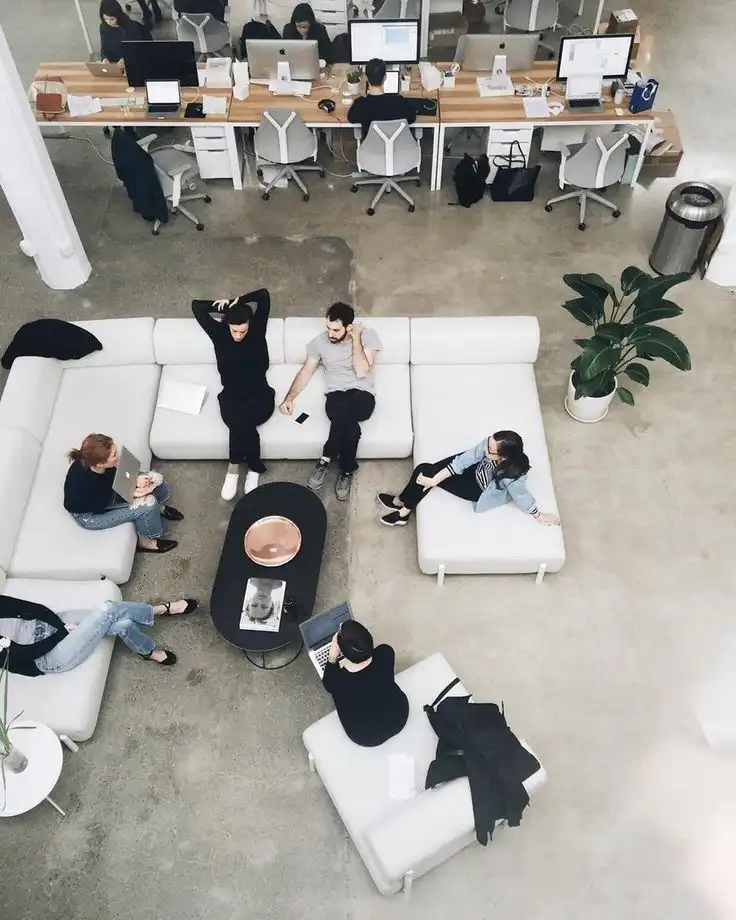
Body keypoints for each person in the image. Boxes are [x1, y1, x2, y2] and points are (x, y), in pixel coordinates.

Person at [279, 303, 381, 502]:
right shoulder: (319, 343)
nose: (330, 334)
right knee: (349, 424)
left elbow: (362, 371)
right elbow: (306, 371)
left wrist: (356, 339)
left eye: (336, 330)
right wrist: (289, 398)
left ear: (349, 326)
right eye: (328, 328)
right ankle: (347, 470)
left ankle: (325, 459)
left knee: (347, 411)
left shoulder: (367, 335)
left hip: (362, 395)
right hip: (335, 396)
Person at [377, 430, 561, 526]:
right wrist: (434, 480)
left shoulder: (512, 474)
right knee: (426, 470)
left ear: (503, 456)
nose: (485, 447)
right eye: (488, 442)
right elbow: (464, 460)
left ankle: (403, 510)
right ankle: (402, 502)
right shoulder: (489, 446)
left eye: (490, 449)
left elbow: (521, 495)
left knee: (425, 471)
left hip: (476, 487)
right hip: (474, 468)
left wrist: (538, 514)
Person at [192, 289, 275, 500]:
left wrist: (238, 301)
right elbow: (197, 306)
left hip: (260, 395)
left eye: (242, 331)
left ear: (249, 325)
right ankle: (253, 467)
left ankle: (233, 468)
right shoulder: (219, 333)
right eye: (234, 330)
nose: (238, 335)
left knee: (240, 421)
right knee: (240, 420)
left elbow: (263, 296)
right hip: (231, 396)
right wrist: (227, 307)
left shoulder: (257, 329)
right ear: (227, 324)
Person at [0, 594, 199, 672]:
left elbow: (33, 609)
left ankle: (146, 651)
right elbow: (23, 656)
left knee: (124, 624)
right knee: (108, 609)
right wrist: (61, 635)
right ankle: (160, 610)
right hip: (47, 658)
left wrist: (59, 626)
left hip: (50, 624)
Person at [63, 434, 182, 554]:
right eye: (114, 455)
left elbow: (114, 477)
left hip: (106, 493)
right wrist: (133, 492)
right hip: (91, 513)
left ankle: (158, 507)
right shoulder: (84, 484)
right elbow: (104, 503)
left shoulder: (95, 463)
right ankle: (146, 541)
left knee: (155, 479)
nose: (118, 455)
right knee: (148, 503)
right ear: (100, 464)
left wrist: (134, 481)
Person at [322, 620, 409, 747]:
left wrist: (332, 656)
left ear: (342, 652)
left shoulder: (336, 680)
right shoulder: (385, 652)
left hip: (366, 736)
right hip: (399, 716)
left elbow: (327, 683)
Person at [347, 57, 417, 141]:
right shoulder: (399, 102)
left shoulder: (360, 104)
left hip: (371, 147)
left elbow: (351, 118)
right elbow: (412, 118)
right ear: (385, 77)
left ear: (366, 77)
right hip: (396, 146)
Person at [99, 0, 152, 65]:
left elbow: (137, 49)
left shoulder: (130, 26)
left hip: (132, 62)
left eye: (111, 19)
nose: (108, 22)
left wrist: (126, 59)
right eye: (105, 19)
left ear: (118, 16)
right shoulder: (103, 27)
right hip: (114, 64)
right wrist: (104, 58)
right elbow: (104, 48)